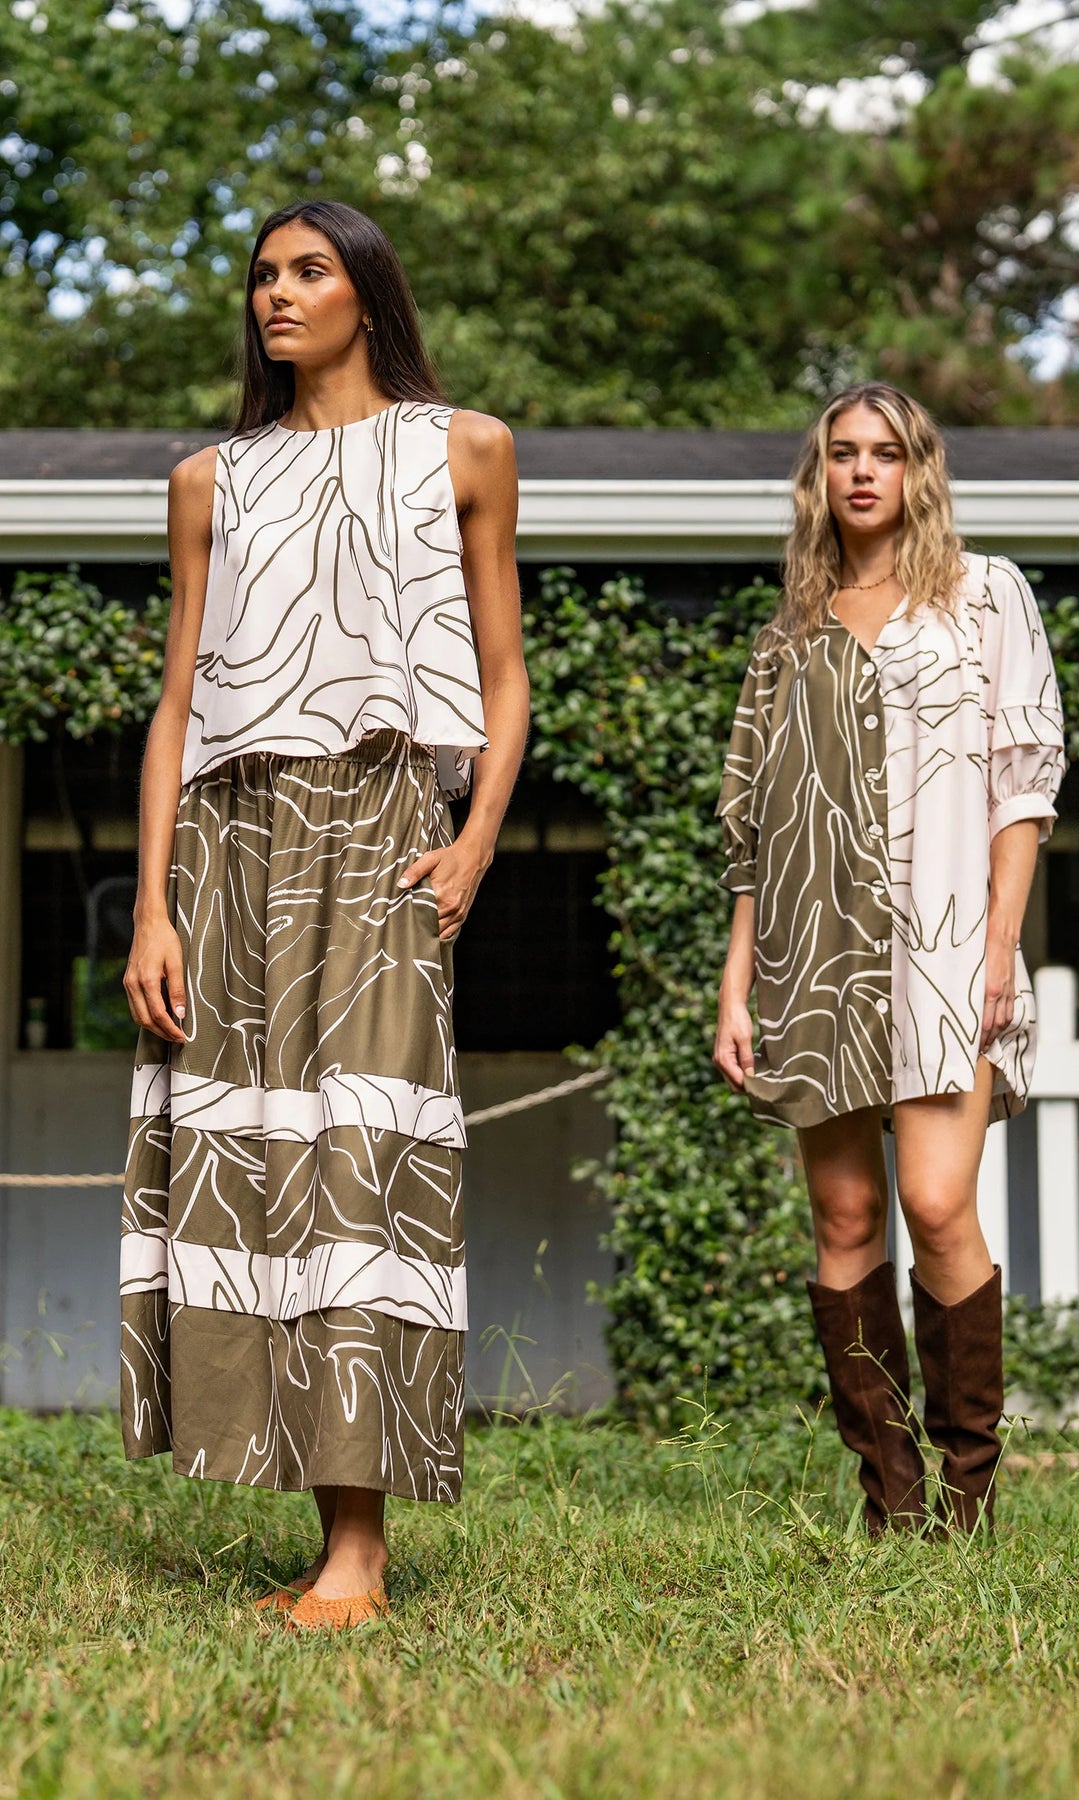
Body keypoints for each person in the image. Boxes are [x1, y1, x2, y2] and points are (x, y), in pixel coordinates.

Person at [120, 199, 529, 1628]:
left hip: (385, 836)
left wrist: (474, 842)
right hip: (232, 849)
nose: (275, 296)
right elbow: (177, 706)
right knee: (263, 1163)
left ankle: (360, 1552)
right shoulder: (210, 480)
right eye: (261, 276)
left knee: (362, 1160)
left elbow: (502, 675)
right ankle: (325, 1534)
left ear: (368, 292)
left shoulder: (462, 448)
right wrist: (153, 908)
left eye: (308, 271)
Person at [714, 383, 1064, 1534]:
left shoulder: (983, 597)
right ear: (816, 477)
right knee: (845, 1217)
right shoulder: (787, 637)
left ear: (918, 471)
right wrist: (736, 981)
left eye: (884, 452)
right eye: (840, 453)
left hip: (944, 945)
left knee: (934, 1199)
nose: (861, 471)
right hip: (811, 954)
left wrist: (997, 945)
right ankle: (891, 1500)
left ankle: (966, 1495)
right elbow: (753, 828)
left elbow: (1021, 781)